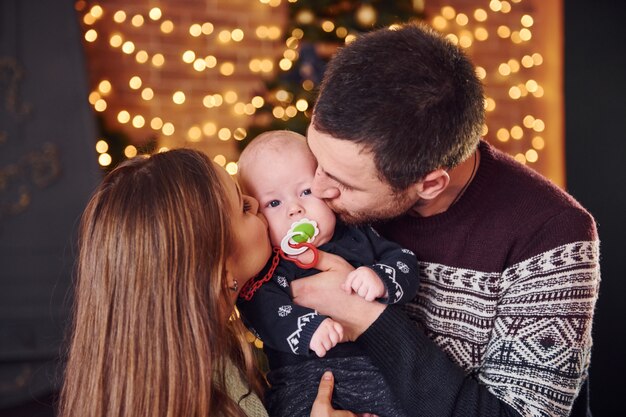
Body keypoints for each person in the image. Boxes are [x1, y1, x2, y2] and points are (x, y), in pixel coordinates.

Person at [291, 22, 601, 417]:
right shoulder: (325, 201)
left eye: (342, 183)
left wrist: (368, 318)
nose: (317, 190)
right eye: (318, 159)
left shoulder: (551, 233)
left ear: (430, 183)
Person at [57, 149, 354, 417]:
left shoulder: (210, 357)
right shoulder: (207, 398)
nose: (256, 202)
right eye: (243, 208)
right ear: (221, 274)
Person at [236, 130, 419, 417]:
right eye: (274, 203)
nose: (295, 209)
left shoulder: (359, 235)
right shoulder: (268, 266)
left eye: (305, 192)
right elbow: (261, 309)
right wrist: (307, 327)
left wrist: (381, 278)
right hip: (305, 378)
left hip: (376, 368)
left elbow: (405, 261)